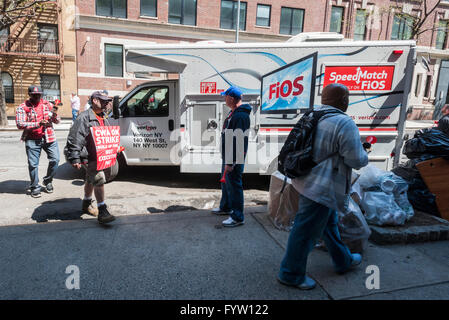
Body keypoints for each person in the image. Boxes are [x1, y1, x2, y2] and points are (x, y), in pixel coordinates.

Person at [277, 83, 368, 290]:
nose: (348, 101)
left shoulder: (313, 114)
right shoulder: (344, 123)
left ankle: (342, 260)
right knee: (305, 231)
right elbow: (356, 160)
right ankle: (290, 273)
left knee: (328, 223)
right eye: (347, 97)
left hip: (303, 180)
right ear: (343, 100)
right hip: (322, 187)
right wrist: (365, 154)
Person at [65, 91, 116, 224]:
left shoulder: (103, 116)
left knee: (90, 179)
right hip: (89, 155)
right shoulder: (84, 117)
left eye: (107, 101)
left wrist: (113, 146)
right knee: (99, 179)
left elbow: (105, 135)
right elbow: (75, 137)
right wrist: (75, 157)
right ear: (94, 100)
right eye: (103, 101)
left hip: (99, 155)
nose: (106, 103)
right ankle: (102, 210)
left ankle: (86, 203)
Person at [211, 86, 252, 227]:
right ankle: (226, 207)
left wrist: (231, 161)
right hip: (229, 155)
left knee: (234, 185)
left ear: (232, 98)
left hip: (234, 157)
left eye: (225, 96)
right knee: (226, 183)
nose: (224, 98)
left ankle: (238, 217)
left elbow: (239, 142)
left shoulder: (240, 116)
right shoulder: (234, 112)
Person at [15, 85, 60, 198]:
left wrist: (54, 116)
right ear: (29, 95)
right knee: (33, 164)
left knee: (55, 160)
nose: (37, 97)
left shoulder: (48, 105)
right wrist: (38, 124)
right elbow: (20, 124)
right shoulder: (23, 107)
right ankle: (35, 186)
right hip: (32, 139)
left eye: (39, 95)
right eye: (34, 95)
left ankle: (48, 180)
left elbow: (57, 121)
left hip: (49, 137)